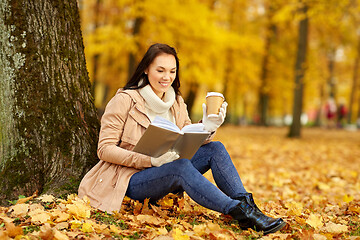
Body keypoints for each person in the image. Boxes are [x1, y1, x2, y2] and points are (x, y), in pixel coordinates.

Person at [78, 43, 286, 235]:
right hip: (130, 179)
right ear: (146, 69)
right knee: (181, 167)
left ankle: (248, 208)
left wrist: (208, 128)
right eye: (160, 70)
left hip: (166, 170)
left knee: (216, 148)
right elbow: (104, 149)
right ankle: (237, 212)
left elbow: (187, 136)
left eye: (172, 71)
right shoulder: (124, 100)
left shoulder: (176, 101)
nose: (166, 77)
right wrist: (150, 161)